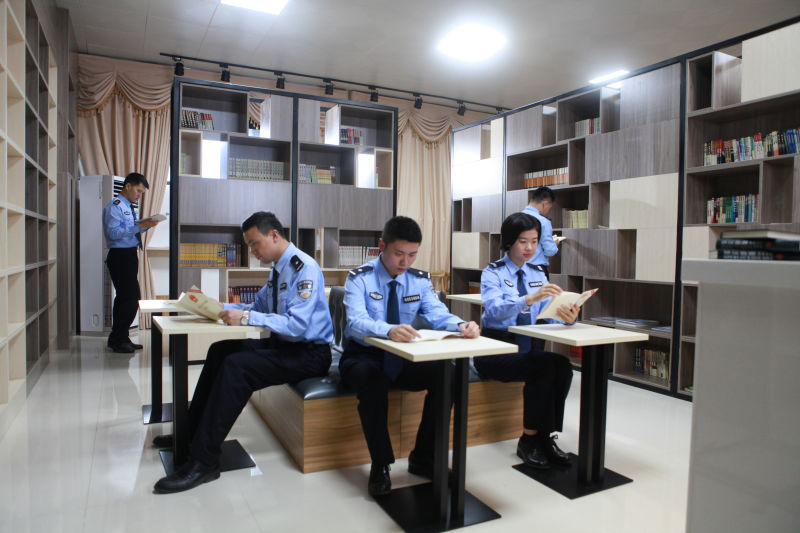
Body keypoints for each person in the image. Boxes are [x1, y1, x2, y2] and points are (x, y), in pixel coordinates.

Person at [153, 211, 333, 494]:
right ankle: (189, 434)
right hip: (285, 346)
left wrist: (246, 318)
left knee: (237, 367)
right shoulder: (278, 269)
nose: (252, 251)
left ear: (274, 235)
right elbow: (257, 308)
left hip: (310, 354)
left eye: (254, 243)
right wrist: (218, 307)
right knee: (220, 351)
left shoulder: (304, 268)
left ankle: (204, 461)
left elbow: (297, 325)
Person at [339, 216, 480, 498]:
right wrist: (388, 330)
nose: (405, 262)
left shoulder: (419, 280)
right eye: (398, 254)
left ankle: (424, 457)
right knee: (371, 378)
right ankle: (381, 463)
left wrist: (461, 325)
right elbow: (355, 322)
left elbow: (436, 313)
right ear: (382, 246)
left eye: (412, 255)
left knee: (450, 374)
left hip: (404, 355)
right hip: (365, 355)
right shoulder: (359, 278)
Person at [476, 212, 578, 469]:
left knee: (563, 366)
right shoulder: (492, 272)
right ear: (510, 241)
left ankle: (545, 436)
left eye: (534, 241)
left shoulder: (538, 272)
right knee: (543, 368)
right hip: (497, 351)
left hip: (530, 348)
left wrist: (567, 316)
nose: (530, 248)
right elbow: (494, 311)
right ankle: (528, 439)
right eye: (523, 241)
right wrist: (528, 299)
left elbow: (548, 313)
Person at [103, 172, 161, 353]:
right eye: (138, 191)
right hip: (119, 256)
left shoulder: (128, 206)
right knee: (129, 298)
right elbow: (113, 233)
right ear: (127, 186)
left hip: (129, 254)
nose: (139, 195)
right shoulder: (115, 206)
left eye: (142, 193)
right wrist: (138, 226)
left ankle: (121, 337)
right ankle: (117, 339)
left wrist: (145, 226)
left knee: (128, 298)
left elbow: (129, 231)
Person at [522, 186, 558, 280]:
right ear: (544, 204)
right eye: (549, 208)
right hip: (535, 272)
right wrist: (554, 244)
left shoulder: (515, 218)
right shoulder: (543, 222)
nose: (548, 211)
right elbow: (550, 251)